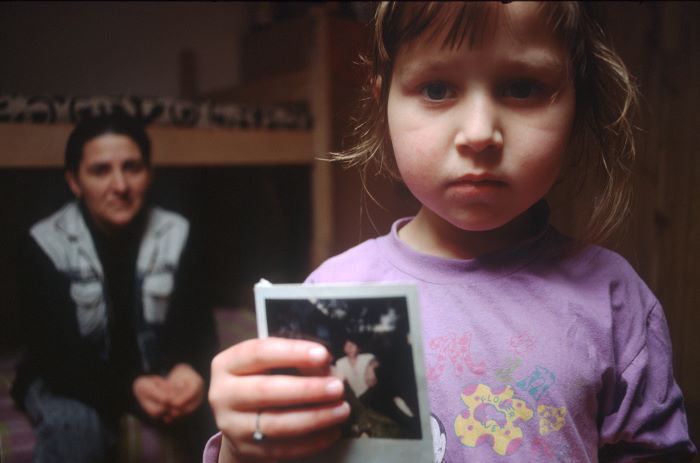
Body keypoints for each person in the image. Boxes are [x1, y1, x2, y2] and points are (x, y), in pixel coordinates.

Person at [205, 2, 696, 462]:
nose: (480, 133)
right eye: (437, 89)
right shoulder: (333, 296)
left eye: (522, 87)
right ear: (384, 103)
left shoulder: (614, 303)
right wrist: (242, 445)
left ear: (577, 104)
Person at [10, 113, 218, 461]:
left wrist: (190, 369)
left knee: (219, 408)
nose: (120, 185)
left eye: (132, 167)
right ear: (75, 181)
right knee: (76, 428)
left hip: (155, 371)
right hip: (67, 376)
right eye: (100, 170)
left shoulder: (177, 233)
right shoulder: (44, 243)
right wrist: (129, 389)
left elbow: (197, 328)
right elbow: (54, 354)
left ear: (149, 174)